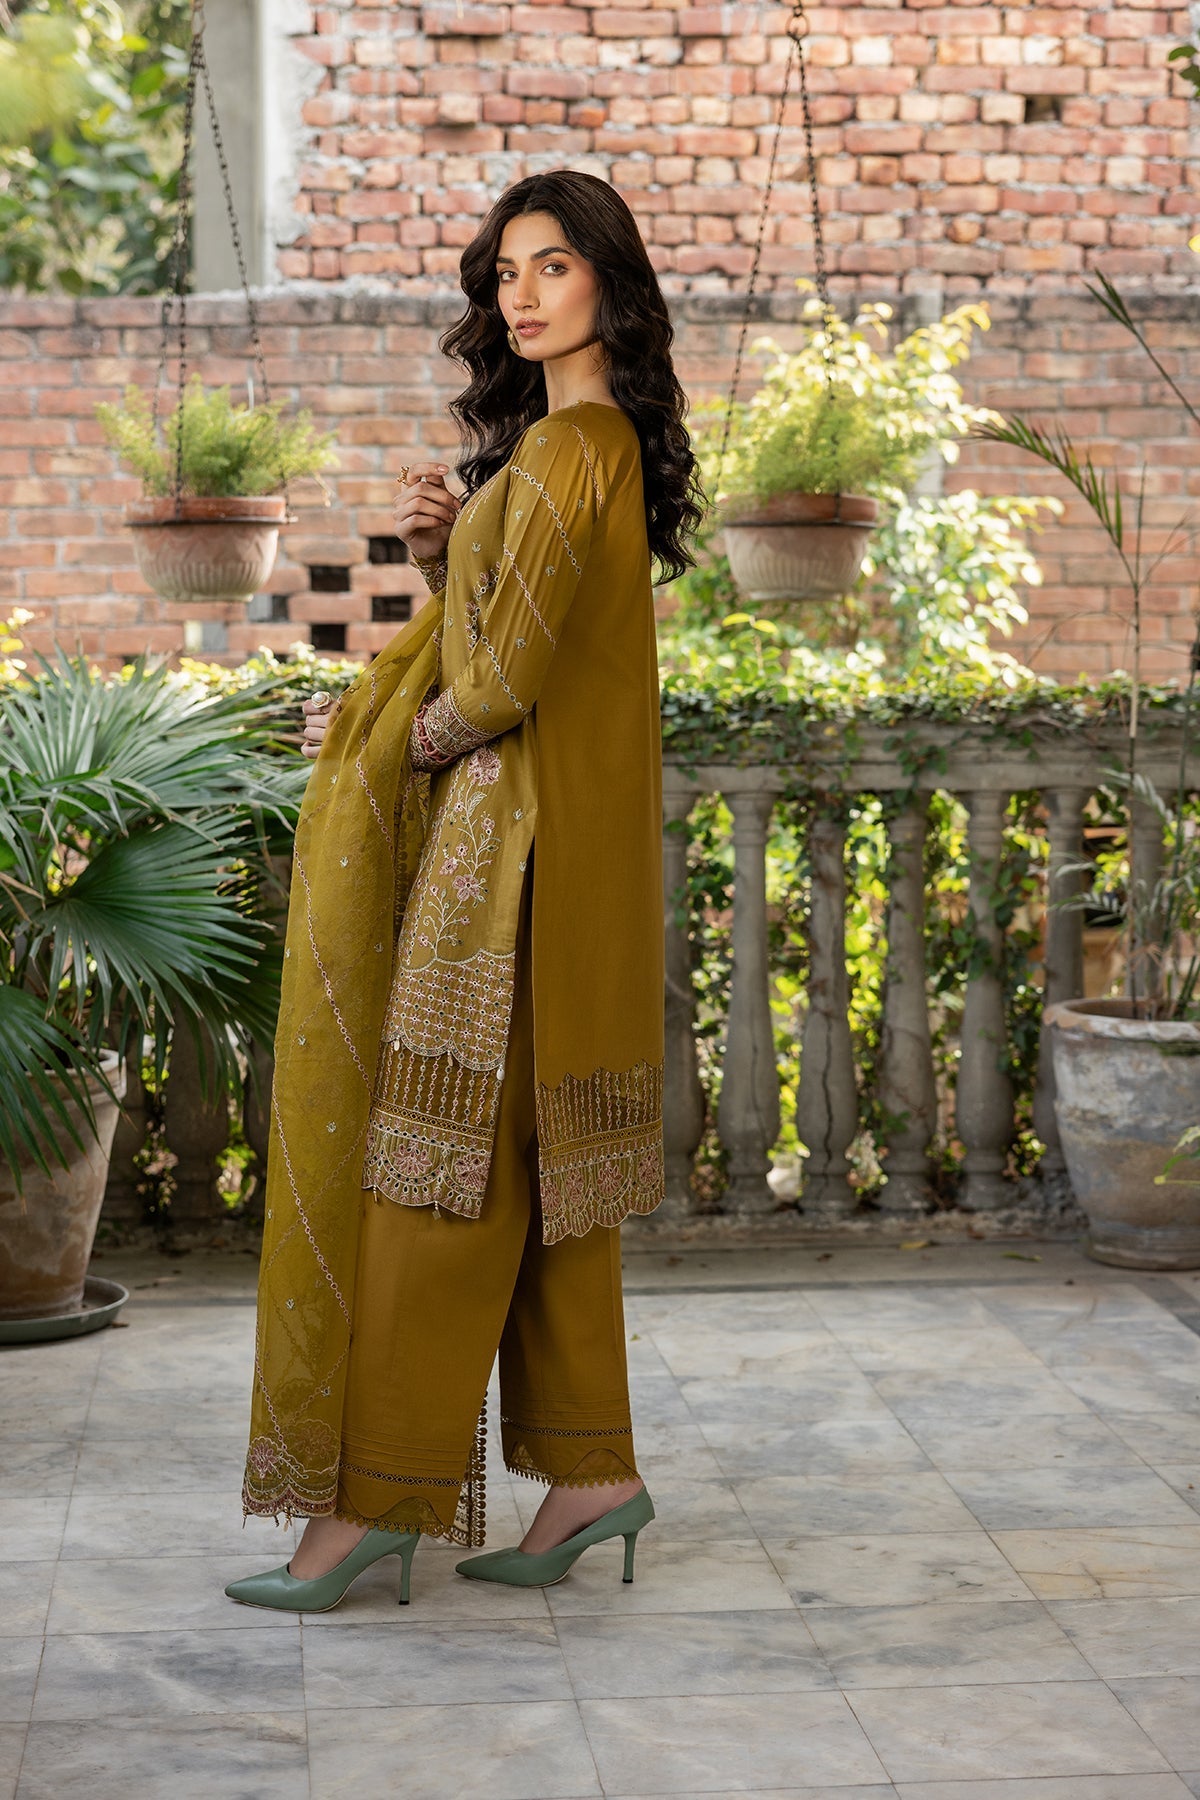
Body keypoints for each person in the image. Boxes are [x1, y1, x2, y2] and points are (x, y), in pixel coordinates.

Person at [224, 169, 702, 1613]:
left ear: (610, 280)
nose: (523, 294)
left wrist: (390, 742)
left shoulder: (567, 450)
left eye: (553, 265)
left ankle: (368, 1505)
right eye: (506, 273)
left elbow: (498, 687)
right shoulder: (591, 449)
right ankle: (592, 1473)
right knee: (543, 1182)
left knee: (435, 1179)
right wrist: (446, 559)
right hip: (559, 866)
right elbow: (524, 641)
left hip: (508, 873)